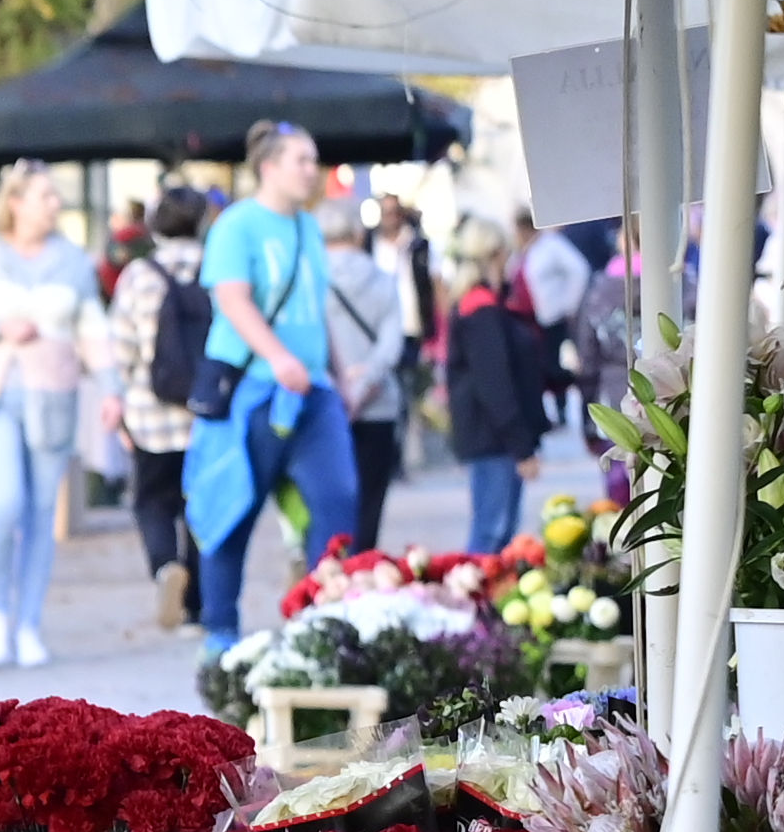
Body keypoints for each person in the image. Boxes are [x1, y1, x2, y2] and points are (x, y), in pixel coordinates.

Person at [183, 125, 366, 639]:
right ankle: (220, 633)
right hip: (255, 391)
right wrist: (278, 357)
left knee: (337, 498)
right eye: (301, 160)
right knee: (233, 511)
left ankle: (324, 625)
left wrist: (336, 369)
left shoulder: (309, 229)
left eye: (313, 160)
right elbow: (232, 300)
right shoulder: (237, 226)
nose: (311, 170)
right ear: (269, 167)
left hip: (313, 392)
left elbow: (319, 308)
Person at [0, 164, 99, 672]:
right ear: (15, 201)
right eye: (45, 195)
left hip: (52, 396)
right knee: (2, 502)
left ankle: (29, 622)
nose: (55, 203)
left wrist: (112, 389)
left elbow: (94, 330)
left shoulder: (73, 260)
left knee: (41, 512)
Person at [110, 187, 217, 625]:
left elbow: (123, 348)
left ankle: (164, 566)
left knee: (153, 501)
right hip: (207, 413)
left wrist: (123, 395)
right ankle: (196, 605)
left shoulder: (139, 274)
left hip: (150, 414)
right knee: (201, 506)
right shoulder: (217, 267)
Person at [438, 221, 562, 560]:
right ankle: (472, 606)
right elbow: (495, 385)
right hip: (495, 439)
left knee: (497, 532)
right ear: (494, 255)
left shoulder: (481, 305)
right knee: (491, 534)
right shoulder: (482, 309)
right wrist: (522, 447)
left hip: (493, 436)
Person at [322, 195, 419, 555]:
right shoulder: (381, 278)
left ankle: (328, 564)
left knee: (329, 493)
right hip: (378, 401)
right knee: (371, 494)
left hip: (328, 403)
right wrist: (366, 380)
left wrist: (342, 384)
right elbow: (392, 344)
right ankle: (361, 563)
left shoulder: (311, 283)